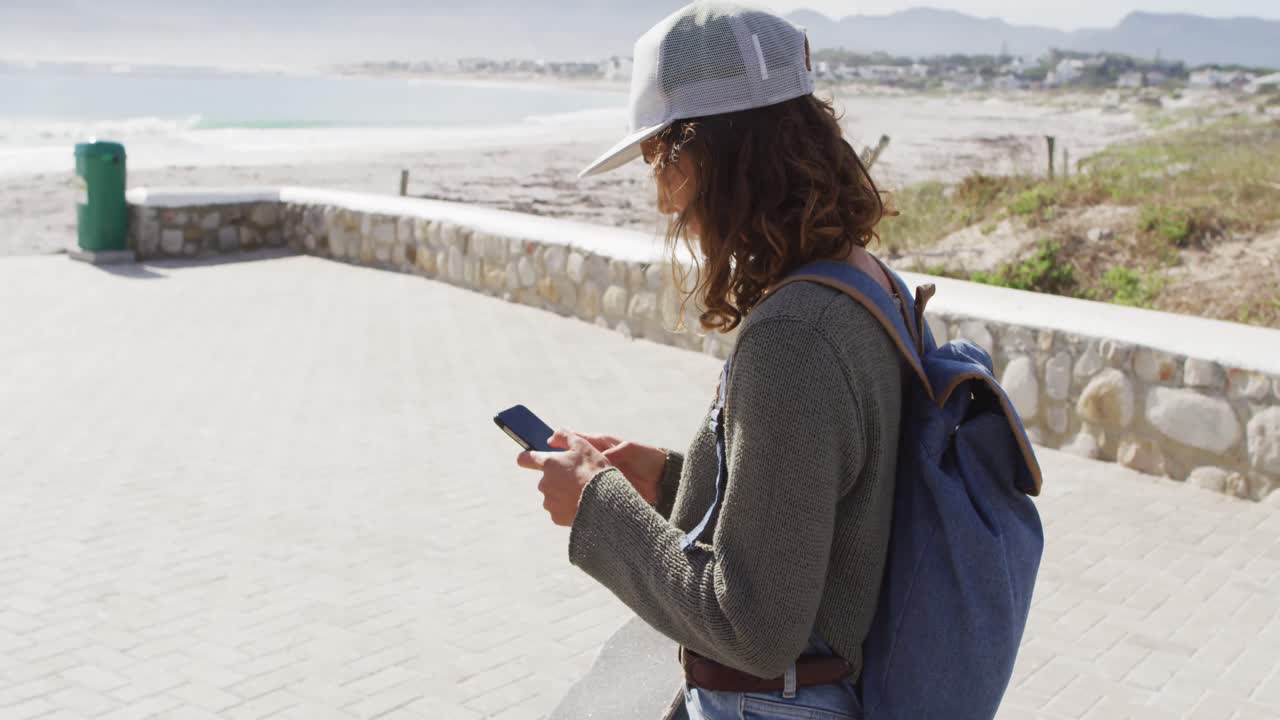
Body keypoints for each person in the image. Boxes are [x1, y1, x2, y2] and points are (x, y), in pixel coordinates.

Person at [517, 3, 906, 718]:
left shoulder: (795, 338)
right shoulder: (861, 281)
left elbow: (751, 628)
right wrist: (672, 481)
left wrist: (595, 506)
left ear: (711, 156)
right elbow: (815, 507)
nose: (667, 204)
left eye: (659, 165)